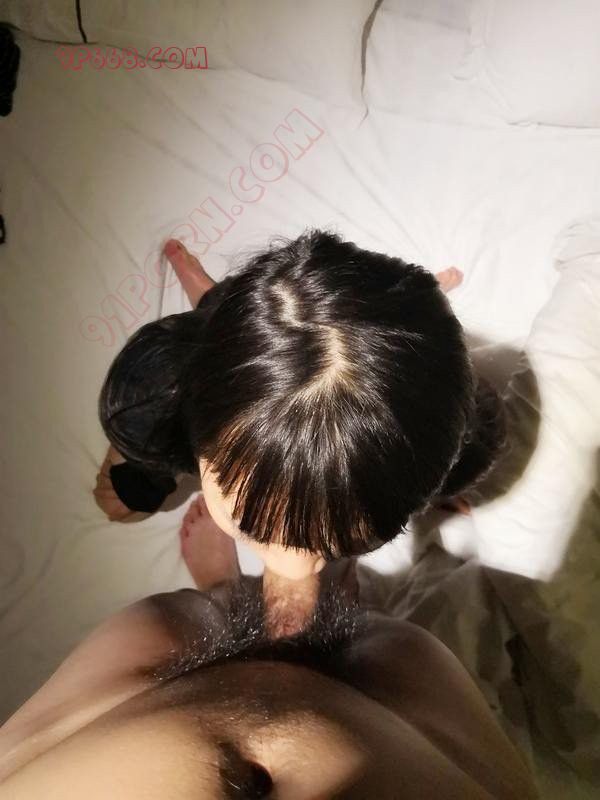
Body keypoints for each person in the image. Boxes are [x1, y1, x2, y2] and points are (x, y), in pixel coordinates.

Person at [94, 233, 506, 616]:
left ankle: (403, 321)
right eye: (254, 529)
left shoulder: (444, 445)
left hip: (222, 342)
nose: (303, 564)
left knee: (231, 317)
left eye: (324, 544)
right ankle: (215, 304)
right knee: (122, 495)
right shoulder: (156, 386)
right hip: (191, 371)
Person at [0, 509, 538, 798]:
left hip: (120, 706)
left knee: (191, 618)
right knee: (383, 641)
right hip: (410, 720)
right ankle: (320, 587)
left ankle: (227, 586)